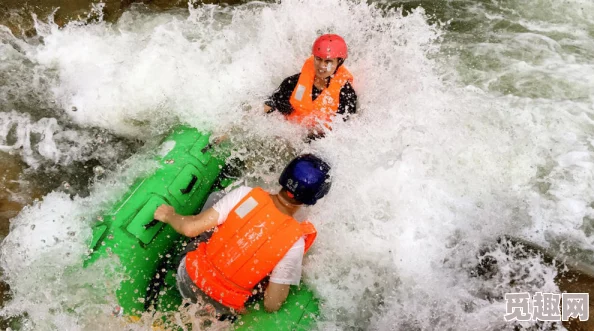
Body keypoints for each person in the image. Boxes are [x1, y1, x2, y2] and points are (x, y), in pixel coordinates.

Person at [153, 154, 332, 316]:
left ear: (284, 176)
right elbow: (272, 304)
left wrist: (169, 215)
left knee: (218, 199)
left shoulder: (246, 197)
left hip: (187, 278)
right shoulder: (295, 242)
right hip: (223, 307)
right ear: (313, 199)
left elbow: (190, 229)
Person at [264, 34, 357, 138]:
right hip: (290, 138)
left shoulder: (346, 94)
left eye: (328, 61)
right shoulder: (293, 83)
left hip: (319, 145)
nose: (321, 66)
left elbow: (345, 131)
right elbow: (269, 106)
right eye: (318, 59)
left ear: (339, 62)